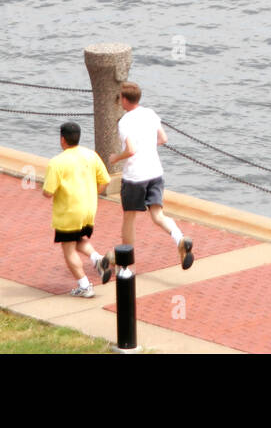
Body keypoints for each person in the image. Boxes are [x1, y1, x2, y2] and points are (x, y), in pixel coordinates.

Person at [104, 82, 194, 271]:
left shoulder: (125, 122)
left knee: (129, 218)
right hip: (155, 172)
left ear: (125, 100)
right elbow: (163, 139)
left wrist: (115, 158)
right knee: (157, 214)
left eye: (120, 97)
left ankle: (125, 264)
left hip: (135, 177)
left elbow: (130, 150)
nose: (119, 100)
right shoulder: (151, 114)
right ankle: (179, 237)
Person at [43, 121, 112, 298]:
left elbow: (48, 193)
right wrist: (93, 194)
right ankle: (97, 259)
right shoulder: (91, 155)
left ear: (62, 139)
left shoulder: (56, 162)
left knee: (68, 250)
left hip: (69, 213)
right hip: (89, 210)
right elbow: (105, 180)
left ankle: (85, 285)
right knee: (78, 239)